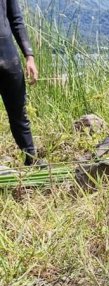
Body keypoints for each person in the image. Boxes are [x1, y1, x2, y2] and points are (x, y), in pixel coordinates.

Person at [1, 0, 39, 166]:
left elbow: (16, 19)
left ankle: (32, 159)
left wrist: (29, 56)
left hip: (8, 57)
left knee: (19, 113)